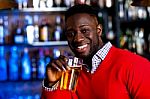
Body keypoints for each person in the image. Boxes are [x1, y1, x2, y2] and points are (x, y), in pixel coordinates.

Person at [41, 4, 150, 99]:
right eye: (70, 33)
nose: (77, 39)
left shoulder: (135, 65)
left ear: (99, 31)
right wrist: (51, 84)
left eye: (85, 31)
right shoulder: (71, 71)